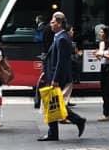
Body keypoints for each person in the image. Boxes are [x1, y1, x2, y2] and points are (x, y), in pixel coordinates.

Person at [37, 11, 86, 142]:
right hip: (52, 75)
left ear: (59, 23)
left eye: (52, 22)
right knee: (53, 104)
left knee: (52, 103)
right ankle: (56, 131)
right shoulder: (59, 36)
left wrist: (55, 79)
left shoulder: (63, 38)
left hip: (56, 77)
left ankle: (76, 122)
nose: (50, 25)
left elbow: (61, 61)